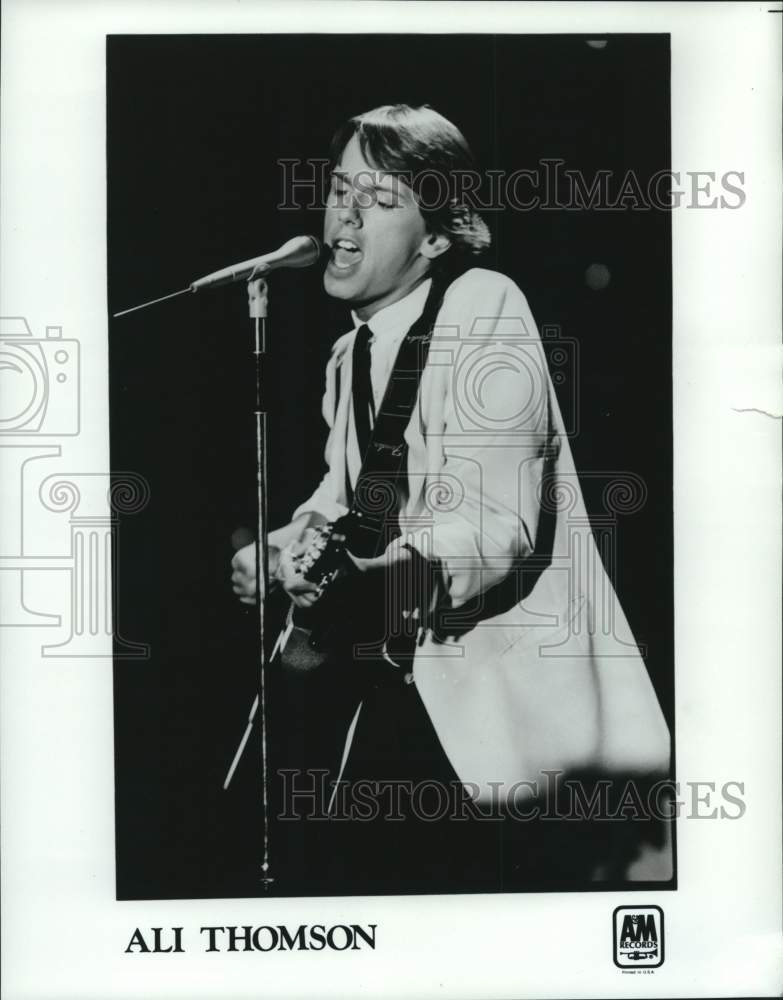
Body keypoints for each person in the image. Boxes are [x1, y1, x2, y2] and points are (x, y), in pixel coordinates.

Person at [231, 104, 671, 893]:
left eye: (383, 197)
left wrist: (383, 582)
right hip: (407, 697)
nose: (345, 213)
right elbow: (353, 494)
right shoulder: (349, 353)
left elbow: (494, 527)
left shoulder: (481, 307)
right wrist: (283, 544)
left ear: (436, 235)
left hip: (512, 732)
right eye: (339, 188)